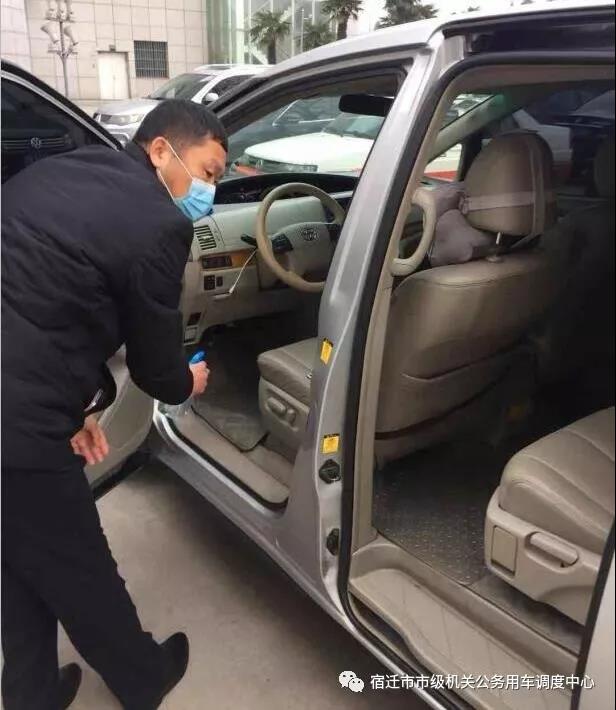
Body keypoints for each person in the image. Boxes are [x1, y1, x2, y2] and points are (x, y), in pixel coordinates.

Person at [1, 99, 227, 709]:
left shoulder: (63, 170)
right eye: (207, 172)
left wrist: (81, 407)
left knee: (16, 553)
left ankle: (31, 693)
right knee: (78, 563)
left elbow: (43, 301)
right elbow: (154, 365)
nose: (208, 191)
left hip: (20, 388)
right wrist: (185, 383)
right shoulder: (160, 226)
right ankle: (143, 677)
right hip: (18, 418)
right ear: (161, 150)